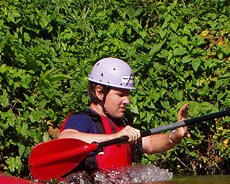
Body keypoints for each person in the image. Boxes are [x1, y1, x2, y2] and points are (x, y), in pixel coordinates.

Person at [59, 57, 190, 172]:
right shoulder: (83, 119)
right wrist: (115, 136)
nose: (127, 101)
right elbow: (65, 139)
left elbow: (149, 143)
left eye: (127, 95)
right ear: (100, 92)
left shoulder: (119, 124)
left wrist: (175, 136)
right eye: (120, 95)